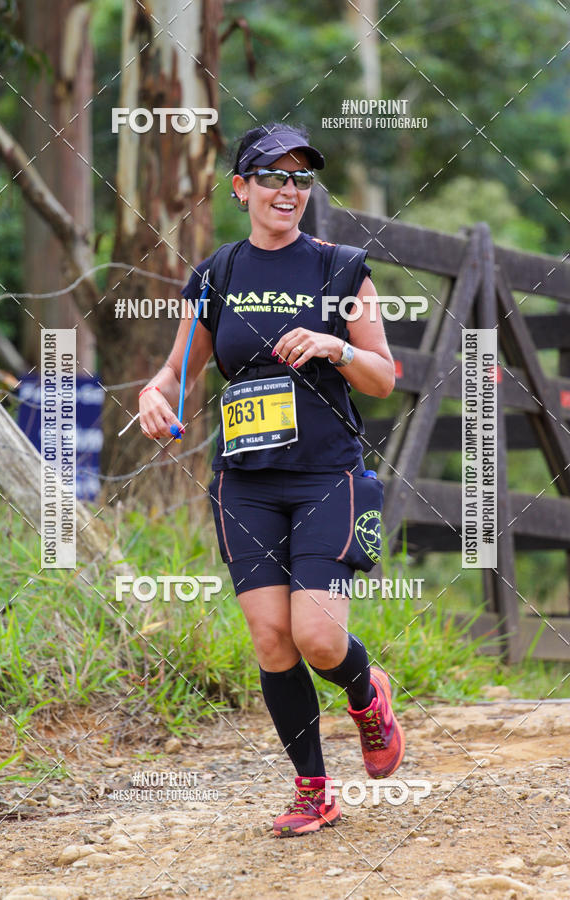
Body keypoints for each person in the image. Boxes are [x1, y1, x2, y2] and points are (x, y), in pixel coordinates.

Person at [139, 122, 405, 837]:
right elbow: (178, 370)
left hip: (327, 475)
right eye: (272, 177)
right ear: (241, 188)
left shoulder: (341, 267)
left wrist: (335, 344)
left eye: (300, 179)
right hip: (245, 481)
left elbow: (383, 377)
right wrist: (155, 394)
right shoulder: (217, 275)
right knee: (270, 640)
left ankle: (366, 692)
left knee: (317, 638)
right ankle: (313, 789)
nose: (288, 190)